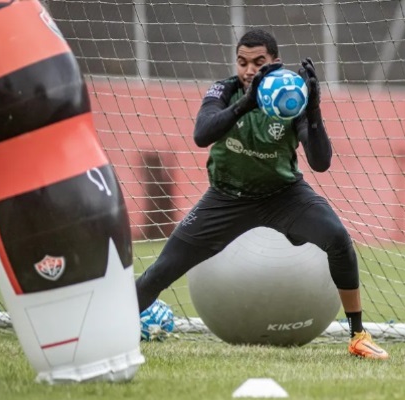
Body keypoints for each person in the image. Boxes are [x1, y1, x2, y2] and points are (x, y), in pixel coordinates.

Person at [136, 28, 389, 360]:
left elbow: (321, 162)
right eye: (242, 62)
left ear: (275, 63)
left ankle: (358, 336)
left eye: (258, 62)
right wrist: (246, 102)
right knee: (162, 269)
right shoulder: (224, 90)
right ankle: (109, 327)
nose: (249, 70)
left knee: (338, 238)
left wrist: (313, 108)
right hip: (225, 197)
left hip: (282, 194)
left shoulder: (290, 98)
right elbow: (202, 135)